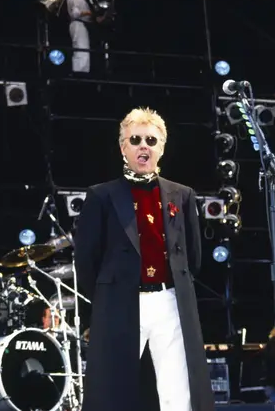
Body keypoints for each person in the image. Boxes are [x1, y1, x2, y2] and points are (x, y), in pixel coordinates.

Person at [74, 107, 214, 411]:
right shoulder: (101, 195)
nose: (143, 146)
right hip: (122, 299)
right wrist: (107, 295)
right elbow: (86, 258)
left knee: (177, 389)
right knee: (114, 388)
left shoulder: (182, 194)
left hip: (169, 299)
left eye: (151, 140)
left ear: (161, 147)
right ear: (123, 147)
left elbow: (193, 256)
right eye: (135, 139)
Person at [66, 0, 94, 74]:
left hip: (80, 24)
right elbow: (75, 13)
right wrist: (89, 13)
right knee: (81, 49)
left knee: (82, 49)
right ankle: (79, 73)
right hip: (78, 23)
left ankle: (81, 72)